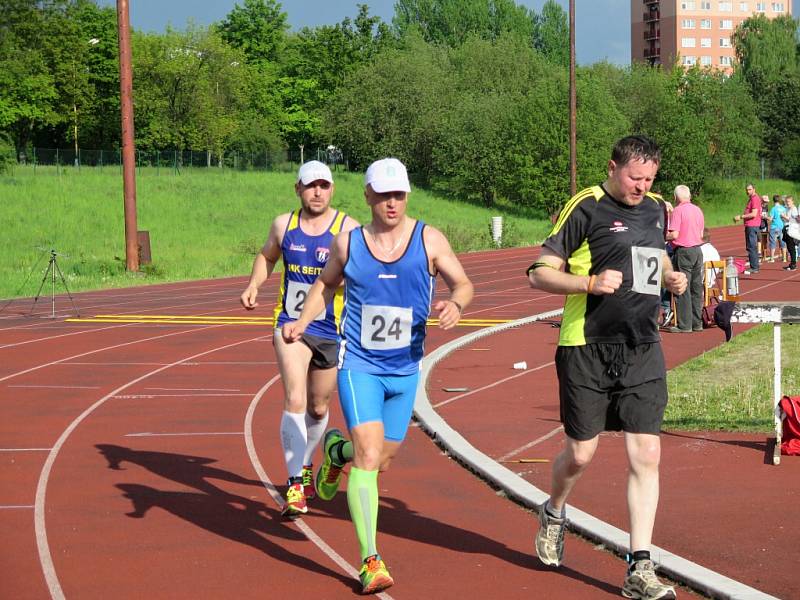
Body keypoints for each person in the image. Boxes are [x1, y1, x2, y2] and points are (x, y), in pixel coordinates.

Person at [283, 157, 474, 594]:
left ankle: (335, 452)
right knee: (369, 458)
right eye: (384, 194)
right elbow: (325, 286)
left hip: (405, 369)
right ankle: (370, 559)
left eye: (399, 195)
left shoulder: (429, 239)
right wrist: (301, 320)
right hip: (360, 366)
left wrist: (456, 304)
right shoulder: (348, 244)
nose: (392, 203)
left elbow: (463, 283)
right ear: (367, 195)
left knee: (381, 458)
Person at [527, 135, 687, 600]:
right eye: (635, 177)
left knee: (647, 455)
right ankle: (555, 510)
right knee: (581, 454)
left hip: (641, 345)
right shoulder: (585, 207)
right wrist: (589, 282)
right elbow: (538, 272)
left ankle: (640, 565)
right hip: (585, 346)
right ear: (614, 167)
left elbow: (653, 256)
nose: (642, 186)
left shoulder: (657, 207)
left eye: (650, 178)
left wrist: (670, 273)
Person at [240, 160, 358, 518]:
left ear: (332, 189)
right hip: (290, 325)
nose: (317, 192)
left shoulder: (347, 229)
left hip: (330, 328)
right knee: (294, 397)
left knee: (319, 406)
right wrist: (255, 283)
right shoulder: (284, 225)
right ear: (298, 189)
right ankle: (294, 484)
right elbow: (267, 255)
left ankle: (306, 463)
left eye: (323, 186)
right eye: (310, 186)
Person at [665, 185, 705, 333]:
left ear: (676, 197)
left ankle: (684, 324)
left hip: (683, 251)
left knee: (682, 287)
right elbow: (701, 233)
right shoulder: (698, 210)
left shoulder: (678, 211)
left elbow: (674, 235)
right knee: (696, 287)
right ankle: (697, 323)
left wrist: (662, 235)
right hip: (697, 250)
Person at [733, 184, 761, 274]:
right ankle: (754, 266)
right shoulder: (752, 198)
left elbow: (754, 214)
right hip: (751, 226)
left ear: (754, 189)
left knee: (751, 247)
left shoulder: (755, 199)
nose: (748, 191)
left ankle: (754, 267)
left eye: (749, 189)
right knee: (751, 246)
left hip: (752, 226)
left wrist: (741, 217)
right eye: (747, 190)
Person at [766, 195, 787, 263]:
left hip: (774, 227)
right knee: (783, 243)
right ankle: (784, 258)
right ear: (779, 200)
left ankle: (772, 258)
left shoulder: (773, 209)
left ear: (773, 200)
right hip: (781, 227)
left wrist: (765, 217)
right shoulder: (783, 208)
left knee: (772, 243)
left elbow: (770, 219)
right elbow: (785, 217)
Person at [782, 195, 798, 271]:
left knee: (791, 248)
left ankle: (793, 265)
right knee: (789, 247)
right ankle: (792, 263)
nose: (787, 203)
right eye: (786, 202)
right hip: (788, 229)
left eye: (789, 201)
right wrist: (783, 217)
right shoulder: (788, 209)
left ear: (792, 201)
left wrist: (784, 217)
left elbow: (795, 220)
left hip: (792, 230)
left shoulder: (794, 209)